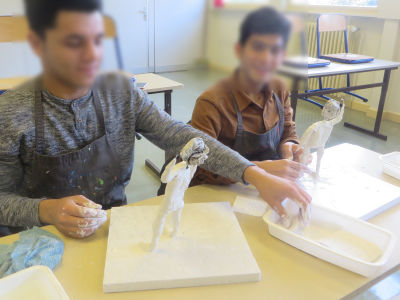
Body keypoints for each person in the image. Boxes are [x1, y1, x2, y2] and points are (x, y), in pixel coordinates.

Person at [0, 0, 310, 238]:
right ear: (39, 45)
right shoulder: (13, 112)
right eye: (73, 42)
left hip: (111, 229)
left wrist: (255, 175)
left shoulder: (122, 93)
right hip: (37, 239)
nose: (92, 55)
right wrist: (47, 209)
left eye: (97, 40)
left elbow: (182, 137)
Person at [191, 7, 308, 187]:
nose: (266, 58)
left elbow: (288, 130)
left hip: (264, 189)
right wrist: (258, 171)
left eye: (275, 50)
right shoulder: (213, 102)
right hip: (221, 193)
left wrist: (289, 145)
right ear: (240, 50)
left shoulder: (280, 89)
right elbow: (198, 168)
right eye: (258, 47)